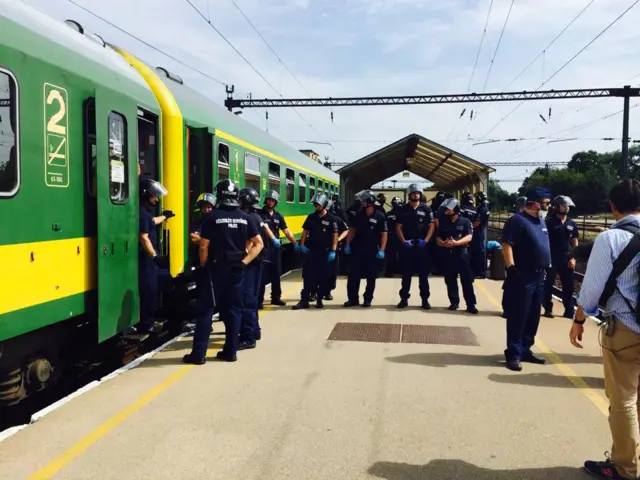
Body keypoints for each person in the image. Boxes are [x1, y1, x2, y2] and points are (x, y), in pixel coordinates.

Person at [570, 178, 640, 480]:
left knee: (624, 398)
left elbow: (589, 294)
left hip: (625, 328)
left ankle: (625, 467)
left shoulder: (610, 239)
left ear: (613, 207)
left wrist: (579, 320)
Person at [183, 179, 263, 364]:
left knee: (206, 311)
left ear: (219, 194)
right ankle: (230, 351)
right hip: (237, 271)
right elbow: (259, 244)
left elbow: (203, 246)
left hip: (214, 270)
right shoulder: (246, 218)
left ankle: (199, 354)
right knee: (234, 311)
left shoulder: (212, 217)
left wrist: (203, 265)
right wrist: (244, 262)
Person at [501, 187, 551, 371]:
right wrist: (511, 266)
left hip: (539, 276)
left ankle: (526, 349)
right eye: (546, 203)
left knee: (533, 316)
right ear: (536, 203)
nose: (548, 206)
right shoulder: (518, 221)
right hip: (523, 275)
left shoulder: (541, 221)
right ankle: (513, 353)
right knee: (519, 315)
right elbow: (507, 244)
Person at [137, 178, 174, 334]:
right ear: (146, 195)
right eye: (154, 196)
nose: (156, 199)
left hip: (149, 259)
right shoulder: (143, 213)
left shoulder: (143, 212)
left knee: (160, 283)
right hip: (147, 259)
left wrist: (165, 217)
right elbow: (144, 237)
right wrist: (154, 256)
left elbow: (151, 221)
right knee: (149, 290)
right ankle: (146, 324)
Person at [293, 194, 339, 310]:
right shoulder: (311, 217)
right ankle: (304, 300)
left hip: (325, 252)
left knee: (323, 277)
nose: (316, 206)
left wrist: (333, 250)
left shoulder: (332, 219)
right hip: (312, 251)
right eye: (315, 205)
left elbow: (335, 235)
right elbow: (305, 231)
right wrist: (302, 245)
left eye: (318, 205)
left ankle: (319, 299)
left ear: (324, 205)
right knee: (308, 276)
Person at [343, 191, 388, 307]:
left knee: (371, 276)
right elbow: (352, 230)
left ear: (370, 201)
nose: (362, 203)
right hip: (357, 249)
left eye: (364, 200)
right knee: (353, 275)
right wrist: (347, 244)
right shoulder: (358, 215)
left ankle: (368, 299)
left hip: (372, 250)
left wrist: (382, 249)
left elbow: (384, 234)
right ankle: (353, 299)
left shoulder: (380, 216)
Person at [238, 187, 269, 349]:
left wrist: (243, 259)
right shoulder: (256, 216)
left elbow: (250, 243)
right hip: (257, 262)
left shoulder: (249, 218)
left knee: (247, 299)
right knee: (252, 299)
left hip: (250, 263)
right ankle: (255, 330)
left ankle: (248, 337)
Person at [396, 183, 435, 309]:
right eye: (413, 193)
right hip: (408, 246)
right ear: (409, 195)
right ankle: (404, 299)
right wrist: (403, 241)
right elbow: (398, 227)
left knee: (423, 275)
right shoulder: (403, 210)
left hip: (421, 247)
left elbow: (431, 226)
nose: (415, 195)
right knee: (406, 275)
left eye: (417, 193)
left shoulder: (426, 209)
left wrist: (426, 240)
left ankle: (425, 300)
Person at [436, 198, 478, 313]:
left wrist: (456, 243)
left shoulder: (465, 222)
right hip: (448, 255)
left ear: (456, 209)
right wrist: (443, 243)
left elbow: (469, 237)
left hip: (461, 255)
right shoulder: (443, 222)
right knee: (450, 280)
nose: (446, 211)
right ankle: (454, 302)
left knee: (467, 281)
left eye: (448, 209)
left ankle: (471, 305)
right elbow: (438, 237)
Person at [258, 190, 298, 308]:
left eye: (273, 200)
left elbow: (286, 231)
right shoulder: (260, 214)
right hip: (263, 249)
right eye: (269, 200)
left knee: (276, 273)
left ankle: (276, 297)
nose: (270, 202)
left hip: (275, 249)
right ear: (266, 201)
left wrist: (295, 243)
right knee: (262, 275)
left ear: (276, 202)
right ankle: (259, 300)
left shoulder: (278, 216)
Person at [542, 195, 579, 319]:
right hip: (552, 258)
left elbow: (574, 242)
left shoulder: (571, 223)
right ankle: (548, 308)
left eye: (567, 206)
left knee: (569, 286)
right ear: (557, 207)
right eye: (564, 205)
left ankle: (569, 310)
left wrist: (574, 258)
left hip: (567, 259)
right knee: (548, 284)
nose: (566, 208)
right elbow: (544, 241)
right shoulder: (549, 223)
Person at [471, 192, 490, 278]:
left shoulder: (482, 209)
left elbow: (477, 222)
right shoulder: (484, 207)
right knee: (476, 252)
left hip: (478, 232)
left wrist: (469, 227)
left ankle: (481, 272)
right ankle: (476, 271)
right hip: (479, 232)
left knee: (479, 252)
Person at [385, 197, 403, 277]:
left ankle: (390, 271)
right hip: (399, 236)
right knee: (401, 254)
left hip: (392, 236)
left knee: (391, 255)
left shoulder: (389, 214)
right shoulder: (404, 214)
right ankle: (400, 270)